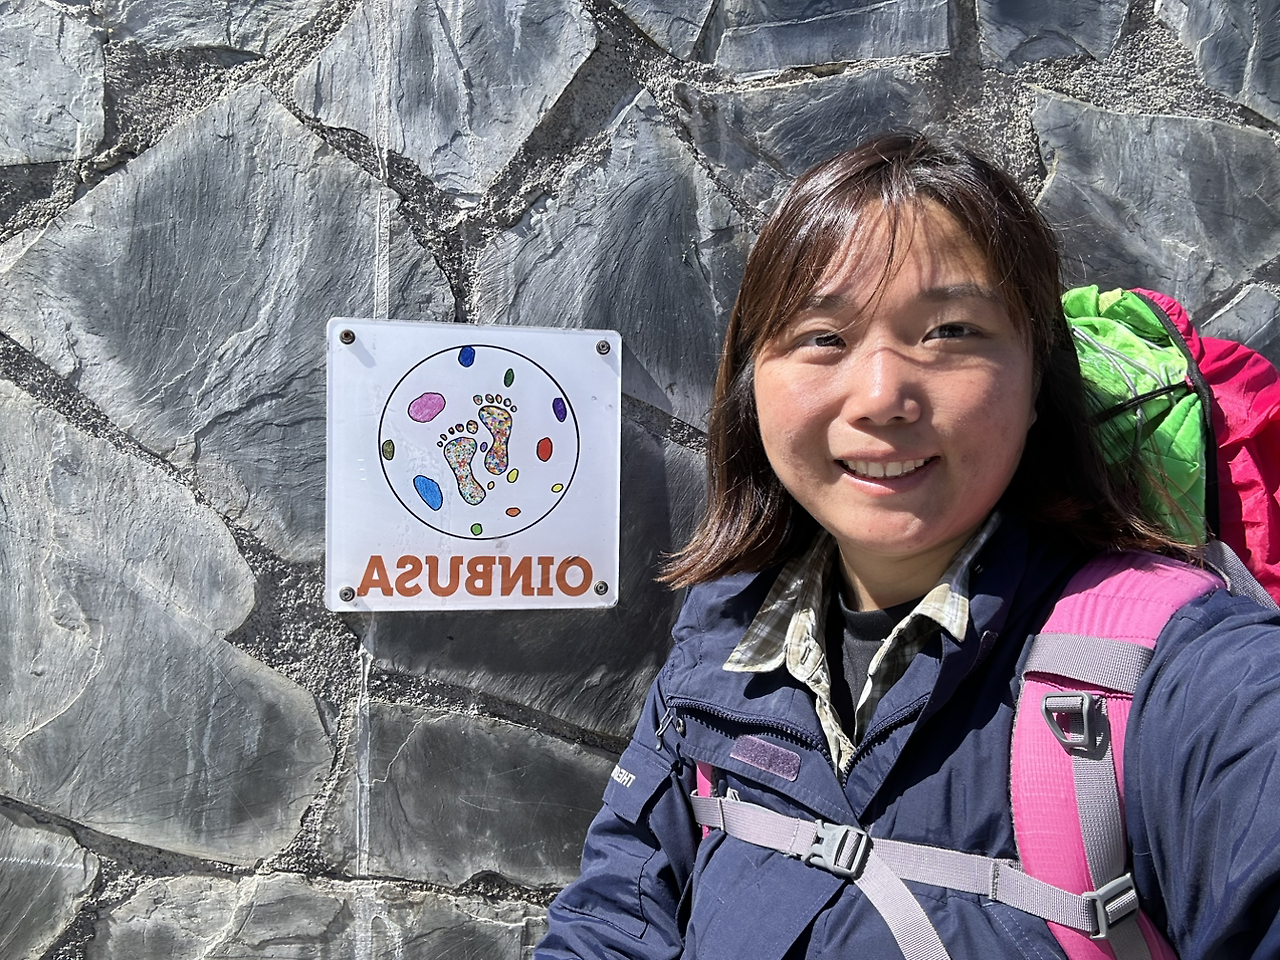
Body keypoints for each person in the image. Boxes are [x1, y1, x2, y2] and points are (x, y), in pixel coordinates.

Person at [536, 132, 1280, 959]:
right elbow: (613, 919)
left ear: (1038, 379)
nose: (882, 396)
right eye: (823, 336)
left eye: (951, 330)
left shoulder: (1177, 672)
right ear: (751, 385)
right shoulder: (721, 639)